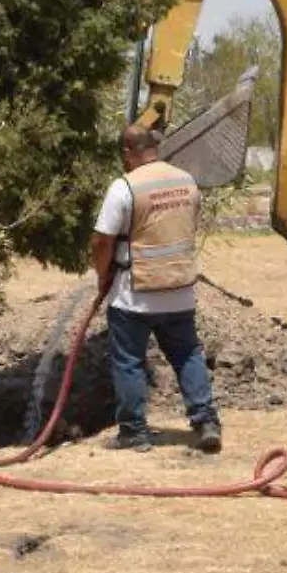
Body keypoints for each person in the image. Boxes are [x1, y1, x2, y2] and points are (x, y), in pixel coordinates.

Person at [90, 125, 223, 454]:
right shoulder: (186, 181)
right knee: (187, 354)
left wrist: (102, 275)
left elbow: (101, 240)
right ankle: (205, 421)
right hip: (179, 289)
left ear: (127, 152)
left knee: (129, 361)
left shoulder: (124, 188)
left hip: (134, 294)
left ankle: (134, 432)